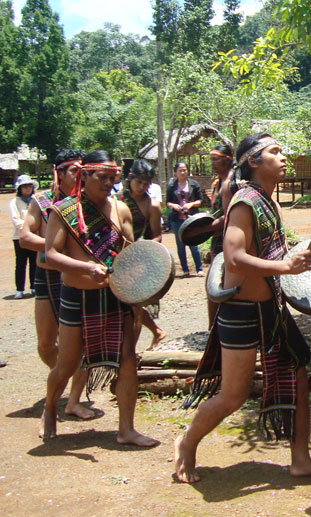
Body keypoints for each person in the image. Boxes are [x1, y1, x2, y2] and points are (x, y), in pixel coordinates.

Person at [174, 132, 311, 484]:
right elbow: (235, 259)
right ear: (253, 161)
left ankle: (300, 458)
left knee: (298, 371)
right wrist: (286, 267)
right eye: (274, 151)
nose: (283, 157)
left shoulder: (270, 201)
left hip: (271, 309)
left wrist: (294, 256)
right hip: (241, 310)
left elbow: (272, 252)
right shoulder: (244, 202)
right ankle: (186, 443)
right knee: (233, 395)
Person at [39, 150, 159, 447]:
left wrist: (142, 288)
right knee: (67, 364)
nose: (108, 183)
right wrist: (86, 267)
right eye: (102, 178)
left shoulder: (121, 210)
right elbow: (48, 256)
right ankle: (50, 407)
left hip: (114, 296)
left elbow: (131, 254)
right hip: (77, 296)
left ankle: (126, 429)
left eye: (112, 178)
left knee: (127, 362)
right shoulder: (63, 210)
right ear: (84, 176)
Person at [20, 151, 96, 419]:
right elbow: (26, 237)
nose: (79, 175)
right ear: (59, 173)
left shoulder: (87, 203)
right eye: (73, 170)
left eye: (82, 170)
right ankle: (65, 376)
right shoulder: (41, 202)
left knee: (81, 346)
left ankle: (74, 400)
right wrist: (55, 243)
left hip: (77, 277)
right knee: (45, 343)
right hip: (47, 276)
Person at [117, 160, 167, 349]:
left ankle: (129, 353)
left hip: (138, 261)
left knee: (136, 307)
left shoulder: (151, 205)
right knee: (123, 307)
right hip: (114, 258)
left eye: (146, 184)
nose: (142, 187)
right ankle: (156, 331)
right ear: (130, 178)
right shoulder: (116, 200)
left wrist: (140, 250)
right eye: (139, 182)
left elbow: (157, 236)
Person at [205, 143, 234, 327]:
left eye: (216, 160)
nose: (213, 164)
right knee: (215, 283)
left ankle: (215, 328)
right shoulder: (219, 182)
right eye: (212, 160)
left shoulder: (229, 183)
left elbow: (228, 218)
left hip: (227, 240)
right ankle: (213, 327)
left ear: (226, 160)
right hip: (218, 239)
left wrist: (201, 230)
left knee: (217, 283)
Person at [165, 161, 204, 277]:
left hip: (191, 218)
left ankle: (199, 269)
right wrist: (173, 206)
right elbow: (167, 202)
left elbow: (200, 201)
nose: (183, 172)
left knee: (194, 243)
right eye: (180, 170)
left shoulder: (194, 184)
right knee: (180, 245)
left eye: (185, 170)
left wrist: (191, 204)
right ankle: (185, 270)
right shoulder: (171, 186)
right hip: (177, 219)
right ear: (175, 172)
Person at [10, 175, 39, 298]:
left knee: (34, 262)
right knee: (21, 263)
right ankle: (19, 289)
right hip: (19, 237)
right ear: (20, 188)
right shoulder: (15, 202)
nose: (27, 189)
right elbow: (16, 219)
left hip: (35, 236)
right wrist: (27, 229)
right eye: (24, 186)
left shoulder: (36, 201)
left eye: (29, 186)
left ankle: (33, 287)